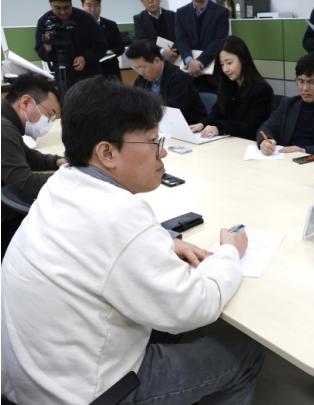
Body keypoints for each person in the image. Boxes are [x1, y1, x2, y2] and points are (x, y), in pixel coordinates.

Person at [1, 76, 264, 404]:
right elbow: (197, 305)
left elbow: (99, 246)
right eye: (153, 141)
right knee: (245, 354)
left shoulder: (61, 183)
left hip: (24, 379)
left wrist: (161, 242)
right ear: (107, 152)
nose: (163, 151)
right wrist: (229, 252)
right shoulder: (119, 216)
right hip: (89, 393)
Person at [1, 74, 64, 257]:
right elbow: (25, 182)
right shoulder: (3, 129)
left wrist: (57, 161)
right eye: (49, 114)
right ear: (26, 102)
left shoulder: (7, 123)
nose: (49, 122)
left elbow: (26, 155)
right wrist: (70, 176)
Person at [189, 36, 273, 140]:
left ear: (242, 59)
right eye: (222, 65)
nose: (225, 69)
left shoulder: (261, 89)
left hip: (247, 144)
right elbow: (216, 112)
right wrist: (202, 124)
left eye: (229, 63)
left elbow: (251, 128)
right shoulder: (228, 84)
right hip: (228, 142)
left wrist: (219, 128)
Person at [126, 40, 207, 124]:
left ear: (156, 61)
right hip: (157, 124)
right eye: (135, 68)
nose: (140, 72)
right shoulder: (142, 78)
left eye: (141, 67)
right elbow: (134, 102)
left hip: (189, 126)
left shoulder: (179, 78)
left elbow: (173, 113)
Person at [35, 0, 107, 91]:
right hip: (62, 76)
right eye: (57, 8)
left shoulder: (86, 18)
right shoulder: (44, 21)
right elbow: (40, 50)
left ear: (71, 3)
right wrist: (48, 49)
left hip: (89, 76)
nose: (62, 12)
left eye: (66, 7)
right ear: (50, 4)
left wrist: (85, 58)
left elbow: (101, 46)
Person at [175, 0, 230, 92]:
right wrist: (189, 60)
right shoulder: (181, 12)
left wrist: (200, 62)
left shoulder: (221, 12)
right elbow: (181, 39)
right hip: (189, 73)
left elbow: (219, 41)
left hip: (213, 73)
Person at [81, 0, 125, 81]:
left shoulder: (111, 25)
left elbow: (120, 47)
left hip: (110, 72)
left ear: (100, 6)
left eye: (96, 5)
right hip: (87, 73)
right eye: (89, 5)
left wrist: (111, 52)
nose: (92, 9)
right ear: (83, 6)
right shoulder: (77, 26)